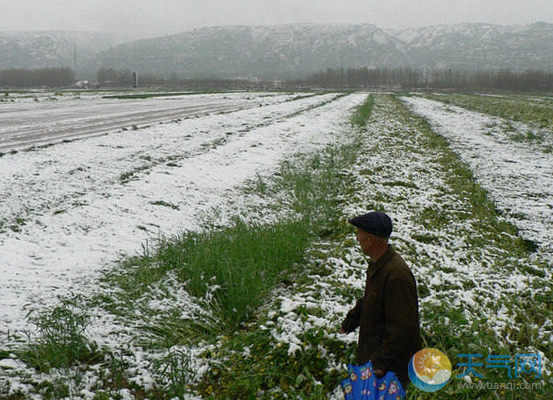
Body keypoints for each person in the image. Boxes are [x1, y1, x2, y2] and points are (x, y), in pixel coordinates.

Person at [341, 210, 422, 389]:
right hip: (380, 363)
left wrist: (377, 364)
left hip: (391, 372)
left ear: (370, 238)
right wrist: (352, 319)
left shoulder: (396, 275)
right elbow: (372, 298)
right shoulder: (380, 265)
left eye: (359, 234)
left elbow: (402, 328)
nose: (357, 238)